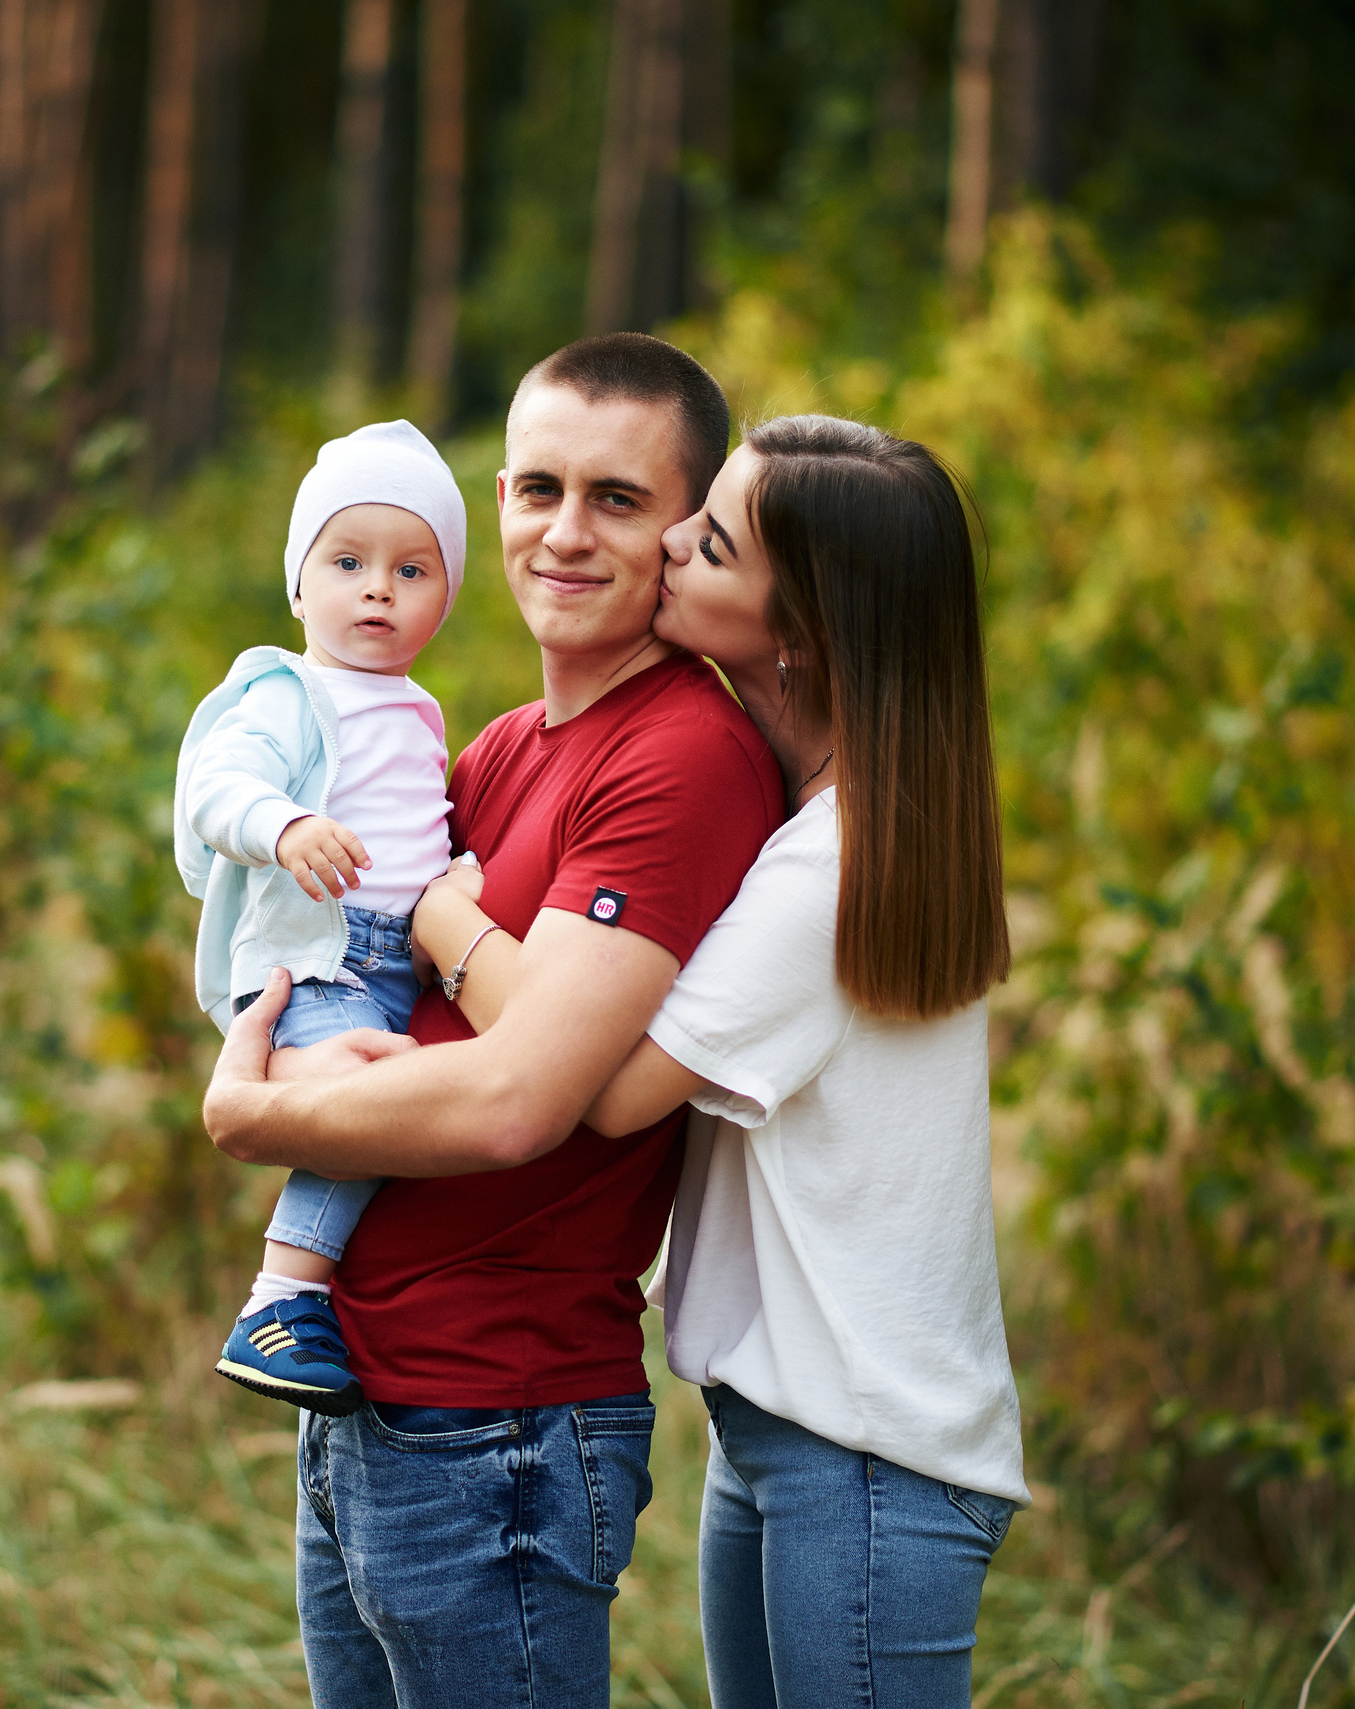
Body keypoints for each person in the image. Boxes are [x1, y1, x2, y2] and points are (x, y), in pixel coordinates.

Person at [404, 415, 1029, 1706]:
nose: (671, 542)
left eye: (714, 540)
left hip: (865, 1458)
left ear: (795, 625)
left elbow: (604, 1085)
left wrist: (444, 915)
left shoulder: (827, 865)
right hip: (795, 1435)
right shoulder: (845, 818)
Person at [201, 332, 785, 1708]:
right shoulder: (494, 746)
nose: (563, 534)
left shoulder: (682, 758)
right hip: (370, 1400)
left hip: (501, 1427)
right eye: (536, 489)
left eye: (618, 500)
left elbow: (524, 1097)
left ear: (687, 533)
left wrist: (257, 1112)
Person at [173, 419, 469, 1417]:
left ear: (446, 598)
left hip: (392, 962)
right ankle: (278, 1297)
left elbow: (414, 832)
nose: (376, 587)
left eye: (410, 568)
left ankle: (311, 1297)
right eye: (346, 561)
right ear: (300, 586)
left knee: (390, 1113)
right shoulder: (290, 692)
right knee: (363, 1112)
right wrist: (285, 820)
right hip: (318, 954)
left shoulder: (420, 710)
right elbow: (220, 782)